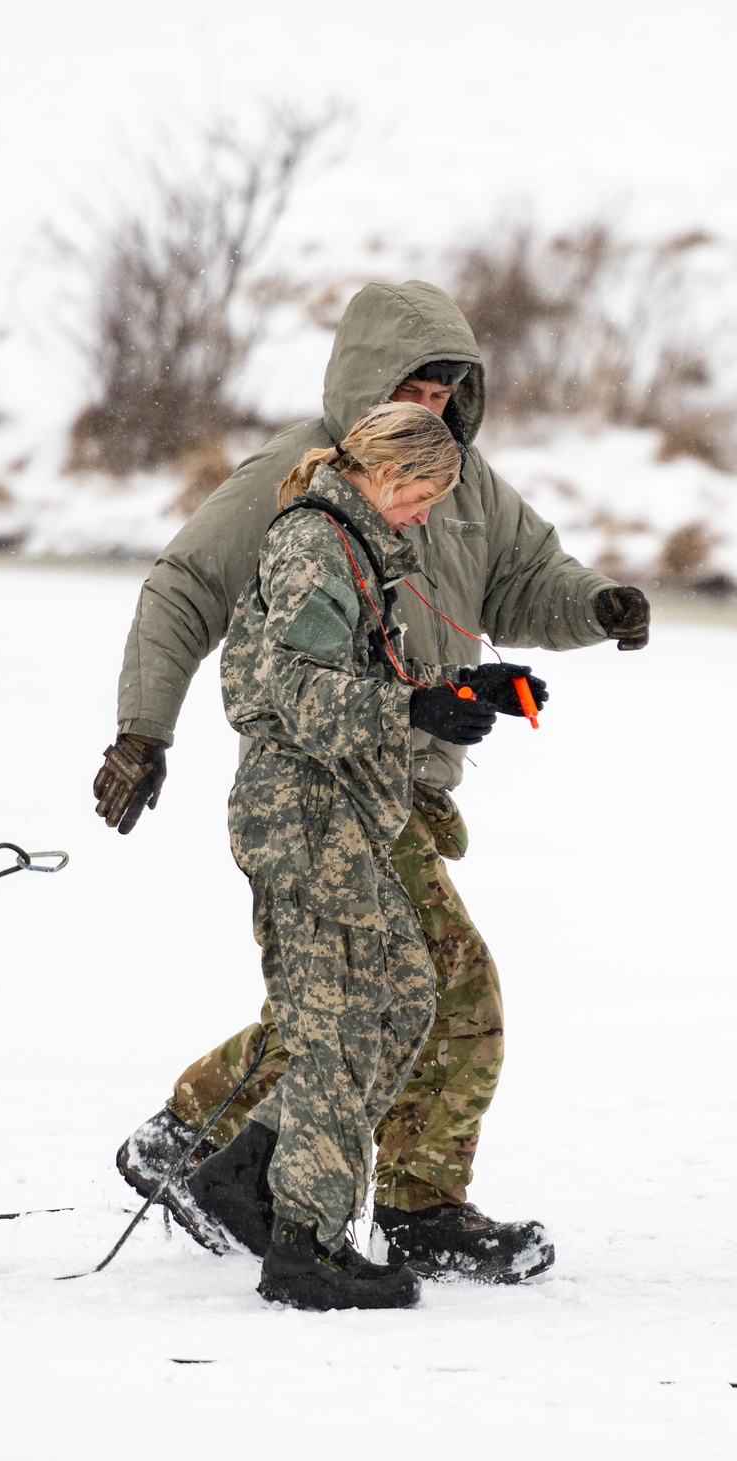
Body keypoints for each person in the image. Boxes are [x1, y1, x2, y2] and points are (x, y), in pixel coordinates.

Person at [97, 280, 650, 1283]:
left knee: (348, 994)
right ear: (362, 383)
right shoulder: (299, 483)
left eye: (451, 389)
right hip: (330, 776)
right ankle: (415, 1203)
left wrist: (596, 605)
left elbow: (529, 580)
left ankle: (192, 1136)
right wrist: (143, 732)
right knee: (437, 987)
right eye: (414, 385)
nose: (433, 406)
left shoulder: (462, 483)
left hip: (407, 785)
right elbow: (185, 588)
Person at [208, 401, 504, 1309]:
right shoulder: (315, 543)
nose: (424, 515)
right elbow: (298, 697)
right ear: (384, 475)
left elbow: (343, 677)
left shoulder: (356, 547)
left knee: (407, 995)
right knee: (342, 1024)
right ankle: (307, 1246)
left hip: (342, 816)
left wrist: (452, 690)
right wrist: (414, 713)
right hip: (304, 817)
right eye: (422, 496)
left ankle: (250, 1162)